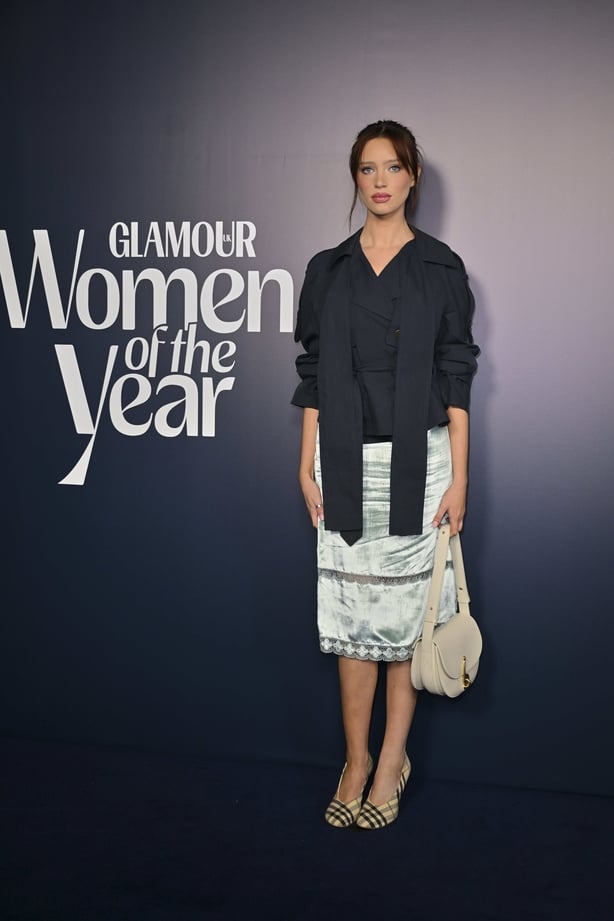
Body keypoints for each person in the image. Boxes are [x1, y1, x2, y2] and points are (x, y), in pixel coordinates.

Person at [291, 120, 479, 829]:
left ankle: (393, 756)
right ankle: (356, 759)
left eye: (391, 167)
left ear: (413, 177)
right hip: (340, 460)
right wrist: (303, 460)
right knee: (350, 623)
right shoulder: (327, 269)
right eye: (367, 168)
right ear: (356, 178)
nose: (378, 180)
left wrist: (462, 476)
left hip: (420, 465)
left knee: (405, 622)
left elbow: (456, 375)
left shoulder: (440, 267)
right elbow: (310, 372)